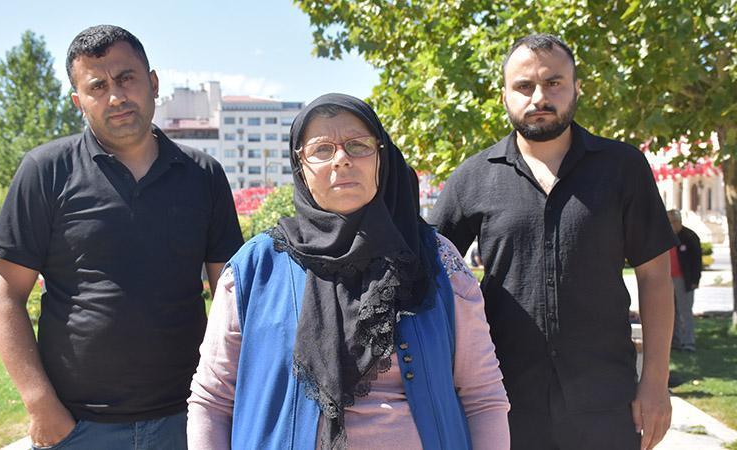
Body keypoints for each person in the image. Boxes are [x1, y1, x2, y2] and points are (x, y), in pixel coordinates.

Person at [187, 94, 510, 450]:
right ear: (300, 166)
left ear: (381, 157)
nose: (341, 159)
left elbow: (483, 396)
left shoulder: (436, 260)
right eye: (321, 150)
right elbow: (212, 400)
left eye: (358, 145)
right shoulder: (255, 267)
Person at [0, 25, 243, 449]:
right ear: (78, 101)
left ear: (153, 83)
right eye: (97, 87)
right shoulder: (46, 171)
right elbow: (3, 298)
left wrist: (227, 400)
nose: (116, 97)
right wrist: (40, 404)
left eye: (126, 78)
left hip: (187, 418)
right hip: (77, 425)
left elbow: (230, 298)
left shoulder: (203, 175)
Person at [429, 34, 677, 450]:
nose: (539, 97)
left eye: (553, 83)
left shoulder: (623, 167)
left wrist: (655, 382)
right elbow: (427, 268)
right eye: (524, 86)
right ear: (505, 96)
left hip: (606, 401)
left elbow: (655, 277)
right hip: (504, 403)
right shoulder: (473, 176)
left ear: (577, 88)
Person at [667, 209, 702, 352]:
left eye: (672, 222)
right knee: (671, 312)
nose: (670, 225)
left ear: (678, 221)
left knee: (685, 311)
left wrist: (695, 280)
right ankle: (674, 342)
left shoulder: (689, 236)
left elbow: (697, 261)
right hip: (668, 280)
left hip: (683, 279)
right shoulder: (666, 236)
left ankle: (688, 342)